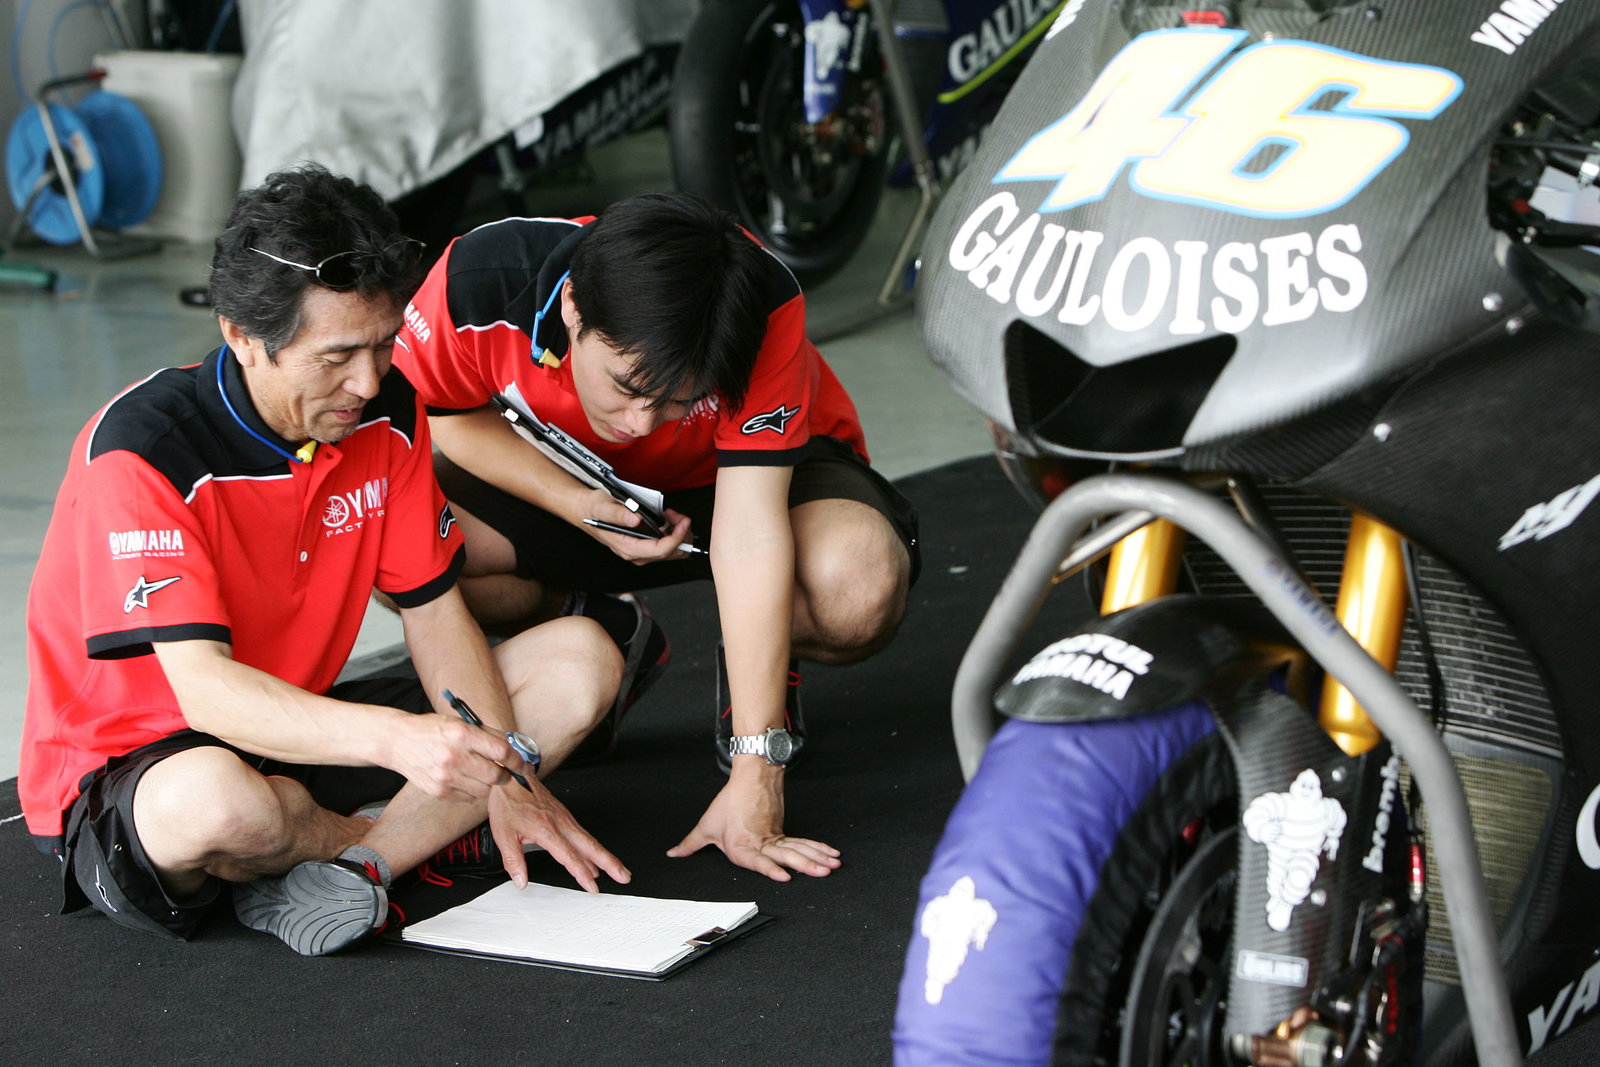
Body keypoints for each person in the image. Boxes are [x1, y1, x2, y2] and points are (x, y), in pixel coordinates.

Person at [19, 164, 630, 956]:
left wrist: (507, 777)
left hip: (299, 729)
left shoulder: (389, 410)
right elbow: (204, 693)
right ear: (242, 334)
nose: (368, 380)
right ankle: (406, 836)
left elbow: (438, 616)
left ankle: (360, 864)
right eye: (337, 355)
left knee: (580, 659)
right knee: (221, 803)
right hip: (140, 766)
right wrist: (402, 744)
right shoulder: (143, 451)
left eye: (383, 344)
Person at [392, 191, 921, 882]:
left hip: (742, 479)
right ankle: (606, 638)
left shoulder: (758, 303)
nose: (642, 422)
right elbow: (445, 413)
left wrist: (760, 766)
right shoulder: (478, 281)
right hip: (573, 476)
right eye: (625, 384)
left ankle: (760, 662)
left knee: (858, 584)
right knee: (415, 549)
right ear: (574, 309)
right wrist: (578, 502)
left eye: (677, 397)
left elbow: (752, 529)